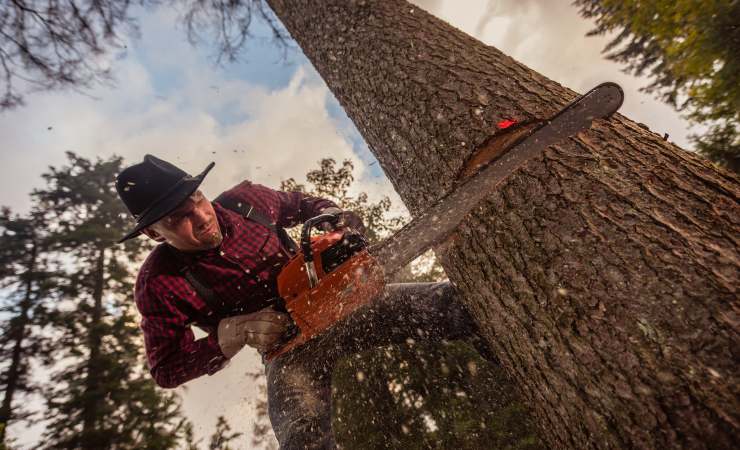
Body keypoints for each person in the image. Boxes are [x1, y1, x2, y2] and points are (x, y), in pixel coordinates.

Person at [116, 155, 486, 450]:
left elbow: (304, 204)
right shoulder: (159, 284)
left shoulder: (246, 201)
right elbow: (165, 368)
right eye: (179, 217)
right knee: (301, 439)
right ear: (153, 233)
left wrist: (336, 221)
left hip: (338, 301)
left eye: (195, 200)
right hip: (289, 351)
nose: (199, 216)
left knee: (455, 303)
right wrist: (229, 335)